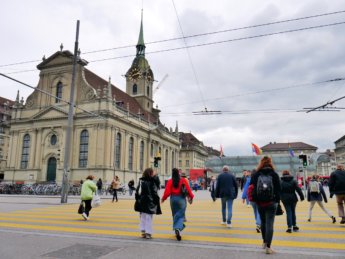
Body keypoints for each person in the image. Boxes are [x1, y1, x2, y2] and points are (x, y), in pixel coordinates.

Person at [251, 156, 281, 254]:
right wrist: (277, 200)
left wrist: (255, 199)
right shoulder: (274, 174)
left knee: (263, 222)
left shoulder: (256, 174)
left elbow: (252, 188)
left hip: (260, 203)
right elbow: (279, 189)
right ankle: (268, 247)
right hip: (271, 203)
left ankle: (264, 242)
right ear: (270, 163)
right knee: (270, 224)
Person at [161, 168, 194, 241]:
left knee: (175, 214)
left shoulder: (170, 181)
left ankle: (176, 229)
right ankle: (178, 228)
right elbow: (188, 189)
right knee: (180, 215)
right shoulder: (183, 180)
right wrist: (191, 197)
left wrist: (163, 198)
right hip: (181, 199)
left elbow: (167, 192)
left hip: (173, 200)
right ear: (178, 173)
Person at [135, 168, 161, 239]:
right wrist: (156, 201)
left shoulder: (141, 180)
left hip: (142, 201)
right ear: (150, 173)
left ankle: (143, 231)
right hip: (150, 201)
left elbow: (138, 191)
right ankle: (148, 233)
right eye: (152, 172)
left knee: (142, 216)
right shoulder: (153, 181)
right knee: (149, 217)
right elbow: (155, 192)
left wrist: (138, 199)